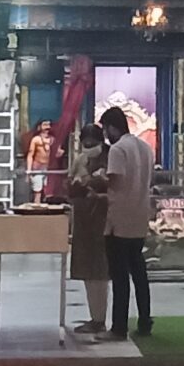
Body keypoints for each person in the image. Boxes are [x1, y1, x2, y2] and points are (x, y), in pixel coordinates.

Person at [96, 108, 154, 340]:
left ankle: (119, 327)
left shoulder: (118, 149)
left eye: (105, 129)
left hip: (119, 220)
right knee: (139, 273)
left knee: (120, 276)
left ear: (112, 126)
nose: (106, 135)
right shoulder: (145, 148)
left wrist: (99, 176)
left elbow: (115, 180)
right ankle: (145, 322)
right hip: (140, 217)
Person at [66, 125, 112, 333]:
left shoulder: (111, 158)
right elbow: (70, 186)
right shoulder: (79, 160)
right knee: (87, 272)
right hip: (84, 221)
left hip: (103, 221)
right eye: (86, 144)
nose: (89, 148)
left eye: (93, 144)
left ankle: (100, 318)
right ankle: (95, 317)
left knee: (101, 272)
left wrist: (96, 185)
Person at [23, 119, 55, 200]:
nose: (47, 127)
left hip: (48, 168)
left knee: (47, 191)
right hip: (37, 168)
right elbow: (30, 155)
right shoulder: (36, 139)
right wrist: (29, 171)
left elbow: (56, 153)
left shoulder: (52, 139)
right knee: (38, 191)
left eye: (49, 125)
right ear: (39, 127)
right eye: (45, 125)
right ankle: (37, 208)